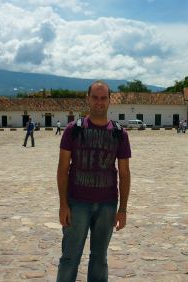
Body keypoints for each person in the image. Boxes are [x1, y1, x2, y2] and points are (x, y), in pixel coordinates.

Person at [56, 80, 131, 282]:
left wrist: (122, 209)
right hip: (77, 203)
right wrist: (63, 205)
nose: (99, 102)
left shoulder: (119, 134)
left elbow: (124, 173)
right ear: (87, 99)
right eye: (95, 97)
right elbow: (63, 169)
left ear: (109, 101)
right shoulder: (73, 129)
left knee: (100, 259)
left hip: (107, 205)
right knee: (70, 258)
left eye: (103, 98)